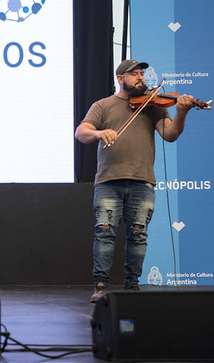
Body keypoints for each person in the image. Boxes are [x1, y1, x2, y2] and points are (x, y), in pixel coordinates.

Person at [75, 59, 195, 302]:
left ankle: (132, 285)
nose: (141, 77)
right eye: (134, 74)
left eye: (142, 73)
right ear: (121, 79)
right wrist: (99, 132)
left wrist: (181, 113)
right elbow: (81, 132)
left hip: (142, 180)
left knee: (138, 235)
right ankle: (101, 286)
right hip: (108, 181)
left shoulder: (154, 105)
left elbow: (170, 135)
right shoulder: (103, 105)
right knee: (104, 232)